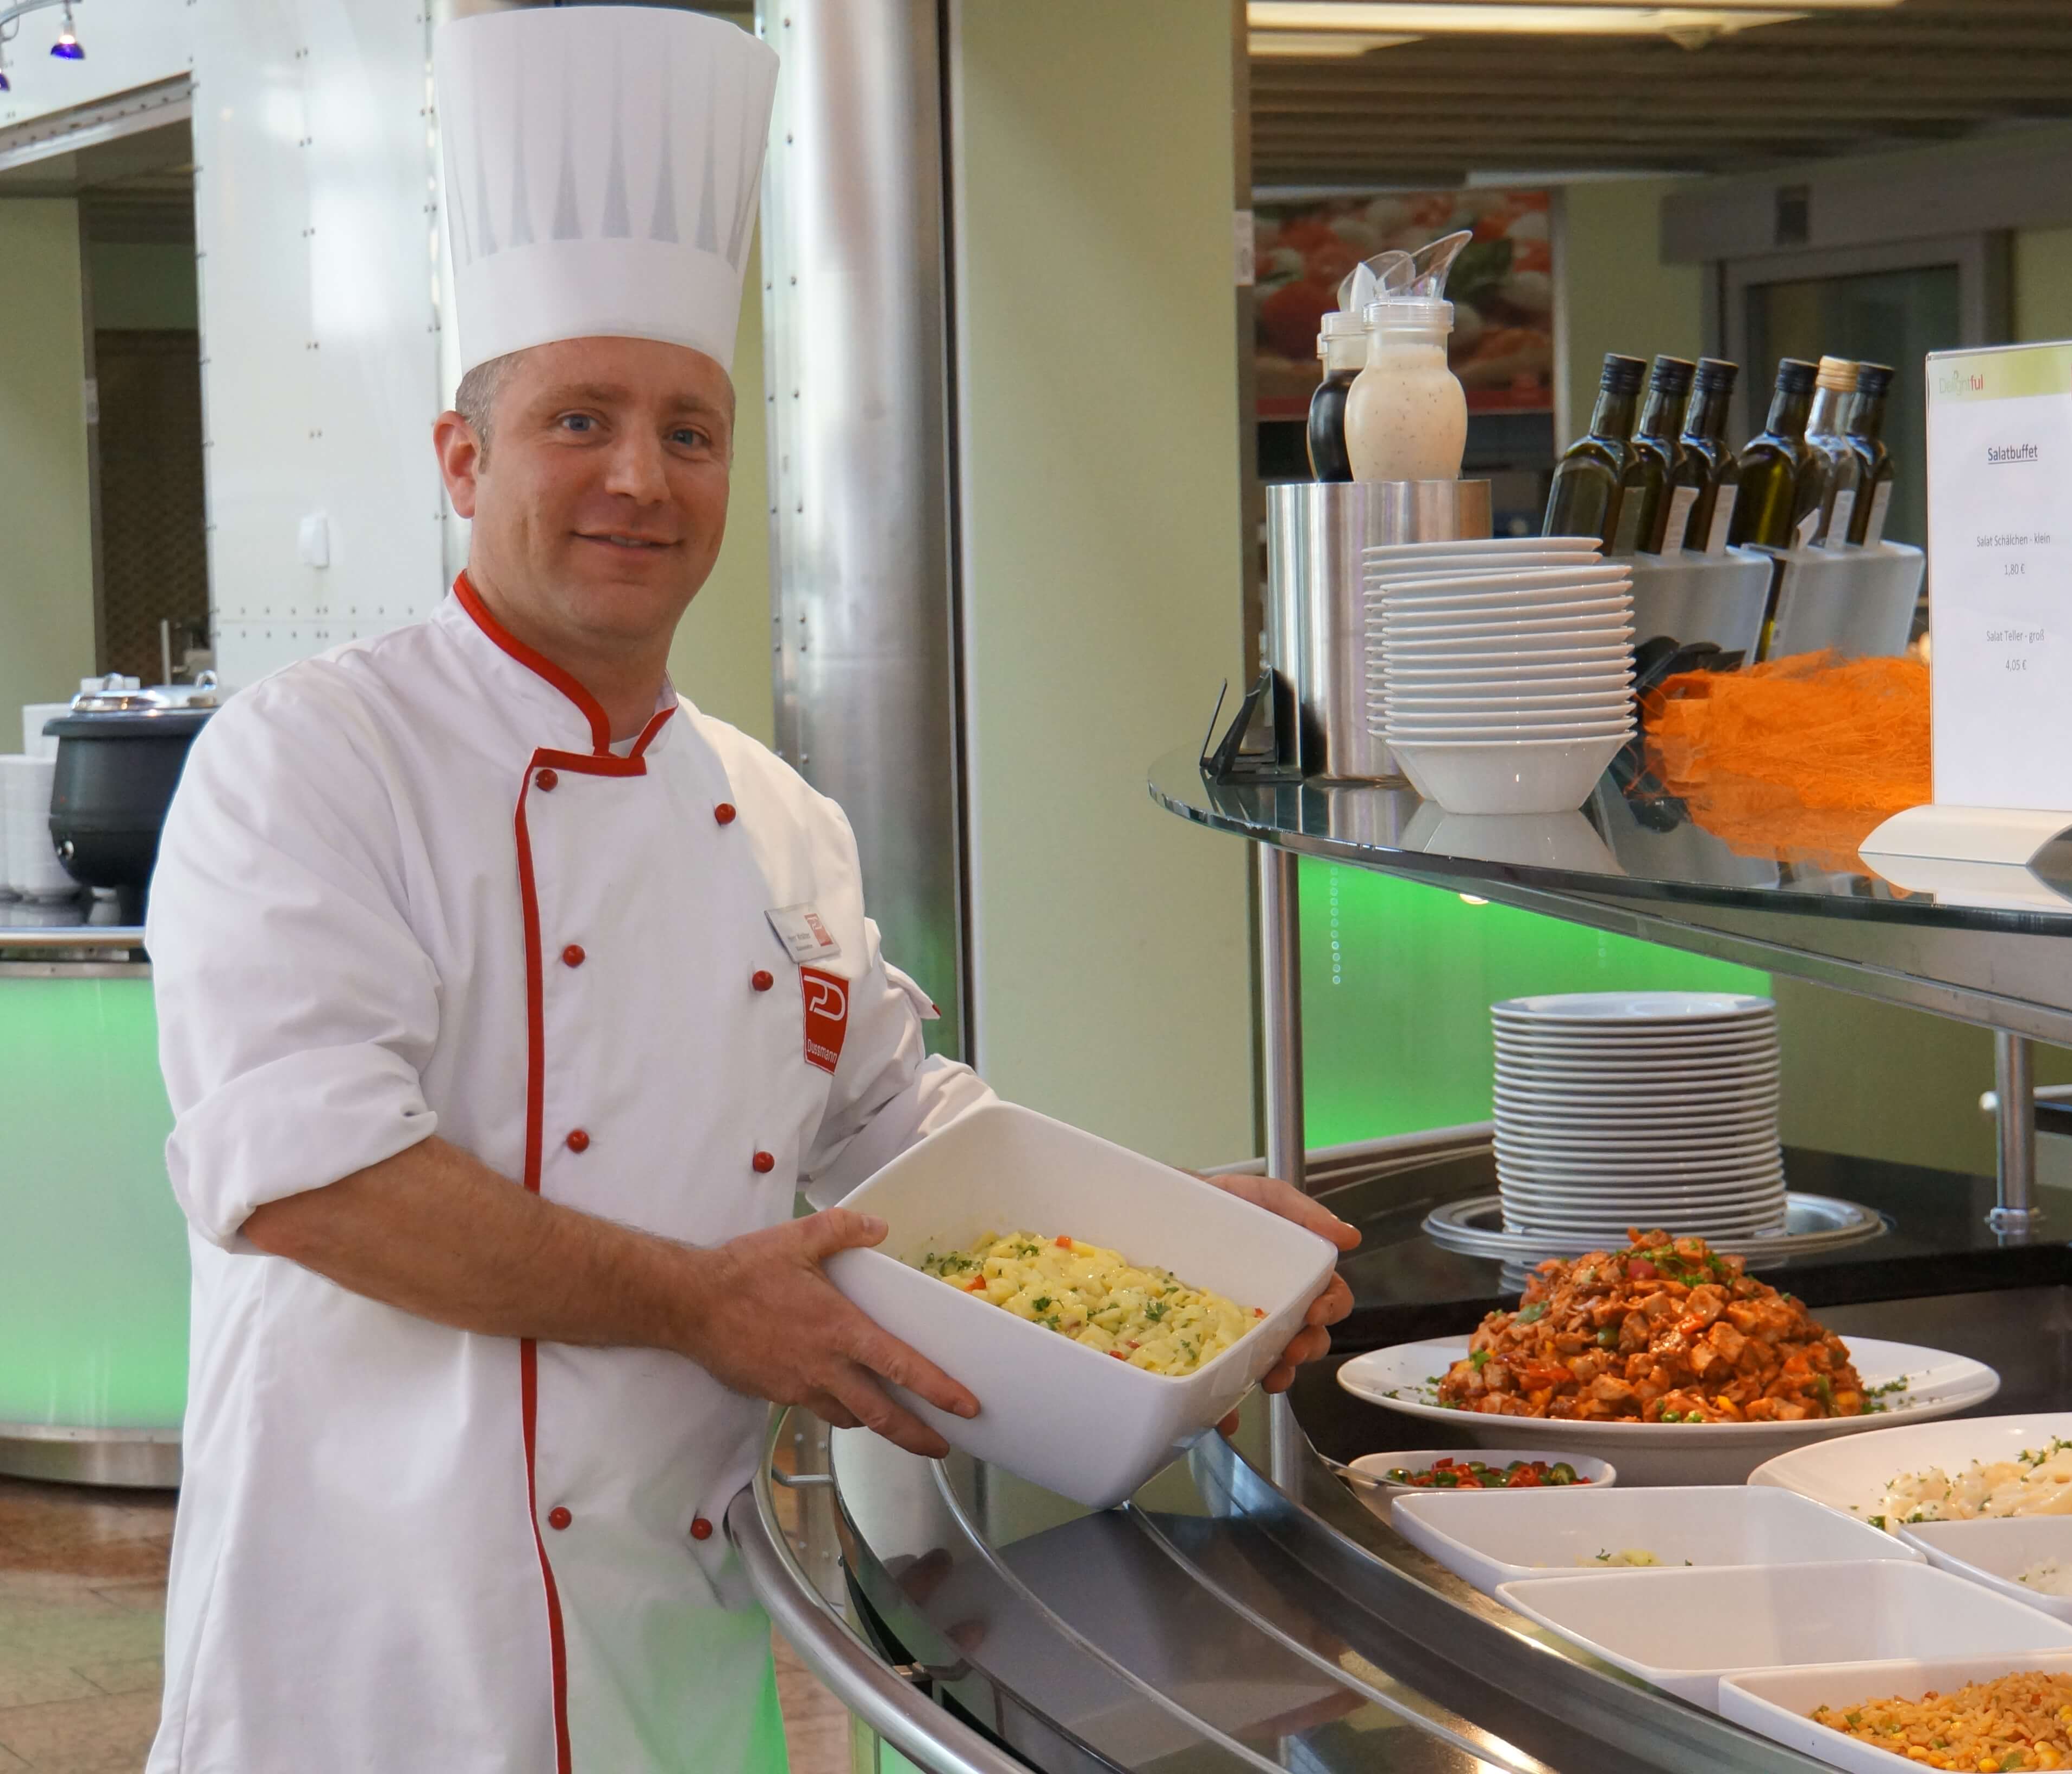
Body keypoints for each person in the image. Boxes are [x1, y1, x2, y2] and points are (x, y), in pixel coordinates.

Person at [140, 8, 1355, 1772]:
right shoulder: (311, 760)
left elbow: (893, 1139)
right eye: (580, 421)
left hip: (671, 1613)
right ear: (464, 462)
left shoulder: (777, 814)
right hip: (373, 1634)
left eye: (690, 430)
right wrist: (706, 1302)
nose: (641, 478)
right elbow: (316, 1182)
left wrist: (1175, 1241)